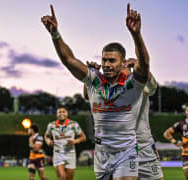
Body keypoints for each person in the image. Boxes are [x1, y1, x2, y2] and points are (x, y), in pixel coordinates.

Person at [41, 3, 150, 180]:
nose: (106, 64)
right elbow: (69, 60)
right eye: (104, 60)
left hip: (126, 152)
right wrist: (55, 34)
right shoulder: (94, 80)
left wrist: (136, 35)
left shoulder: (133, 83)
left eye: (112, 61)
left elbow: (144, 64)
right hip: (101, 154)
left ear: (123, 63)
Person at [84, 59, 164, 180]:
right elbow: (87, 96)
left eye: (125, 68)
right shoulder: (109, 90)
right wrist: (89, 76)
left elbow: (152, 87)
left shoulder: (138, 86)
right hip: (118, 148)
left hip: (143, 146)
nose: (122, 72)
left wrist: (144, 69)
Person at [45, 107, 86, 180]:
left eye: (63, 112)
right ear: (56, 114)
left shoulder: (74, 124)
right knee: (61, 177)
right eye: (59, 112)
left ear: (67, 114)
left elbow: (83, 137)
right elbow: (46, 136)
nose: (61, 114)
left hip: (71, 154)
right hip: (58, 154)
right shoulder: (51, 125)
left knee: (69, 178)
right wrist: (48, 141)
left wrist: (74, 141)